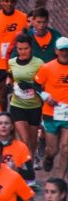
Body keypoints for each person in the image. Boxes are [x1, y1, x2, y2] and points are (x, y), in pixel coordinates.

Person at [6, 32, 43, 162]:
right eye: (20, 49)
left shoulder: (39, 63)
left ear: (31, 48)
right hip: (17, 105)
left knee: (32, 141)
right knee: (25, 139)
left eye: (26, 48)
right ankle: (24, 166)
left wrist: (30, 85)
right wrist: (9, 86)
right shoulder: (11, 62)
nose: (23, 52)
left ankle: (31, 159)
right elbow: (9, 79)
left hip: (34, 106)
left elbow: (43, 84)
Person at [33, 36, 68, 174]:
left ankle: (60, 180)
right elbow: (36, 84)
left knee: (66, 148)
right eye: (62, 50)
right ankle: (49, 157)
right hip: (51, 112)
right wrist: (45, 96)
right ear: (56, 51)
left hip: (67, 113)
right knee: (53, 150)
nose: (64, 53)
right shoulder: (47, 67)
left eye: (66, 50)